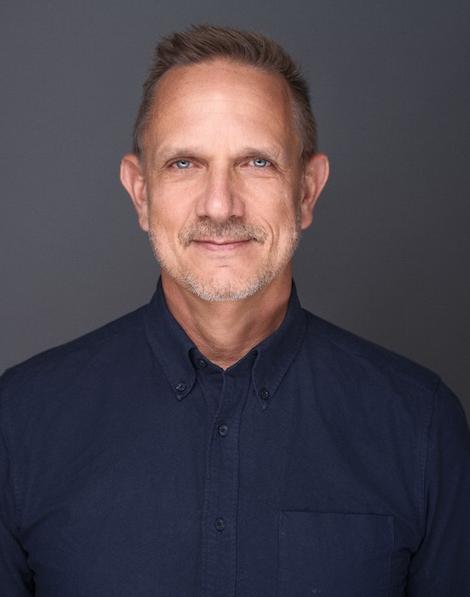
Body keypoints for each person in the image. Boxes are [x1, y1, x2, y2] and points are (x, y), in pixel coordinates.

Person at [0, 24, 469, 597]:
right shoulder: (19, 424)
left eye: (256, 163)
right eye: (184, 164)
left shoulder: (420, 426)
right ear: (140, 193)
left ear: (307, 191)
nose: (220, 206)